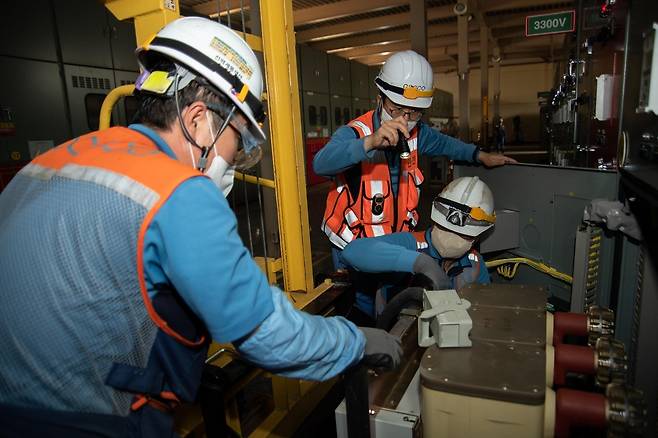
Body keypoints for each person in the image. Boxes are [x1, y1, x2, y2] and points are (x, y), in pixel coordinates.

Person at [0, 17, 401, 437]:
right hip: (87, 421)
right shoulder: (178, 192)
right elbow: (265, 333)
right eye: (237, 141)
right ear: (197, 120)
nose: (235, 158)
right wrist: (355, 342)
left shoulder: (52, 162)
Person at [313, 50, 515, 268]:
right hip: (352, 247)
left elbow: (447, 144)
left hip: (392, 245)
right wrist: (370, 143)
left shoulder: (417, 133)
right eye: (397, 109)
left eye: (415, 112)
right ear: (380, 99)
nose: (404, 119)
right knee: (360, 302)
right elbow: (321, 163)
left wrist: (480, 155)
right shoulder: (356, 133)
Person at [340, 176, 494, 318]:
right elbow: (352, 251)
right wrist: (420, 263)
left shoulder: (475, 264)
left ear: (478, 235)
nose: (452, 236)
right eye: (446, 228)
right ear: (435, 220)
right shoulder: (411, 244)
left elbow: (484, 311)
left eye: (463, 234)